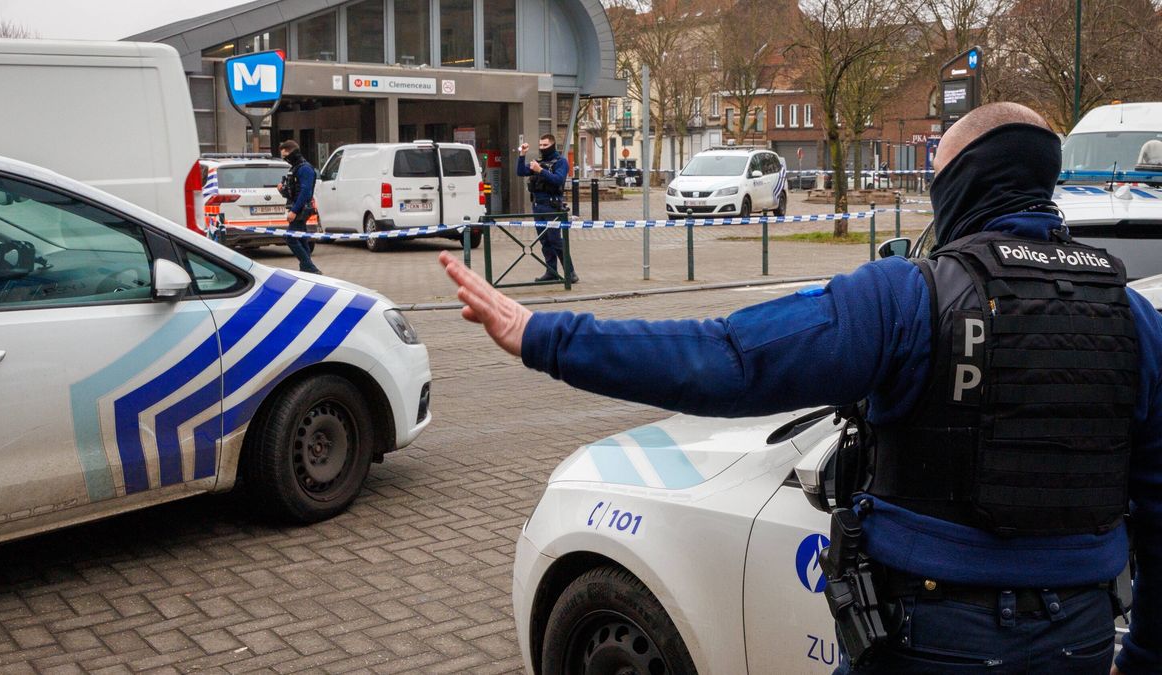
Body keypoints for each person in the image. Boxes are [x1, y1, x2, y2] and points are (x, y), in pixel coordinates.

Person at [440, 102, 1162, 675]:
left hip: (929, 637)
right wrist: (1145, 655)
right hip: (1080, 638)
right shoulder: (1133, 319)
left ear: (962, 184)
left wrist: (544, 337)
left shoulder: (908, 298)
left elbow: (728, 357)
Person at [517, 133, 577, 284]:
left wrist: (540, 171)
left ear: (552, 145)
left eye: (545, 145)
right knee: (544, 241)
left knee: (556, 240)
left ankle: (570, 273)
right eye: (540, 145)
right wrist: (522, 155)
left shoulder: (561, 162)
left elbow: (558, 180)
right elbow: (520, 172)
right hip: (538, 206)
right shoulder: (539, 162)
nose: (542, 148)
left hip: (552, 205)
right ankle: (551, 272)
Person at [277, 140, 321, 275]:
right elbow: (293, 191)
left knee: (291, 237)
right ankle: (306, 268)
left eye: (286, 156)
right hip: (298, 206)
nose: (285, 160)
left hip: (302, 208)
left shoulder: (305, 168)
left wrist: (294, 211)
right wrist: (282, 190)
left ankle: (310, 267)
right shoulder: (295, 168)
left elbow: (305, 191)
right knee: (301, 237)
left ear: (293, 153)